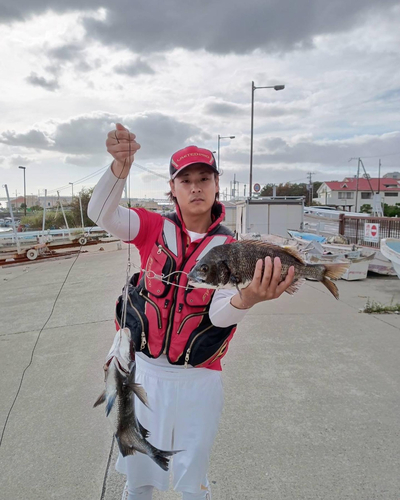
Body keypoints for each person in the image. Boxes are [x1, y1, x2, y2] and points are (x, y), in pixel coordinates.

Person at [88, 123, 295, 500]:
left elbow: (218, 315)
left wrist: (248, 300)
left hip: (199, 381)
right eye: (186, 180)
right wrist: (119, 167)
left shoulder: (232, 249)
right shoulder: (151, 227)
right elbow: (100, 213)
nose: (196, 187)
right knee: (138, 477)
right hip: (143, 373)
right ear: (173, 188)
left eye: (204, 178)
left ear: (217, 184)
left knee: (192, 480)